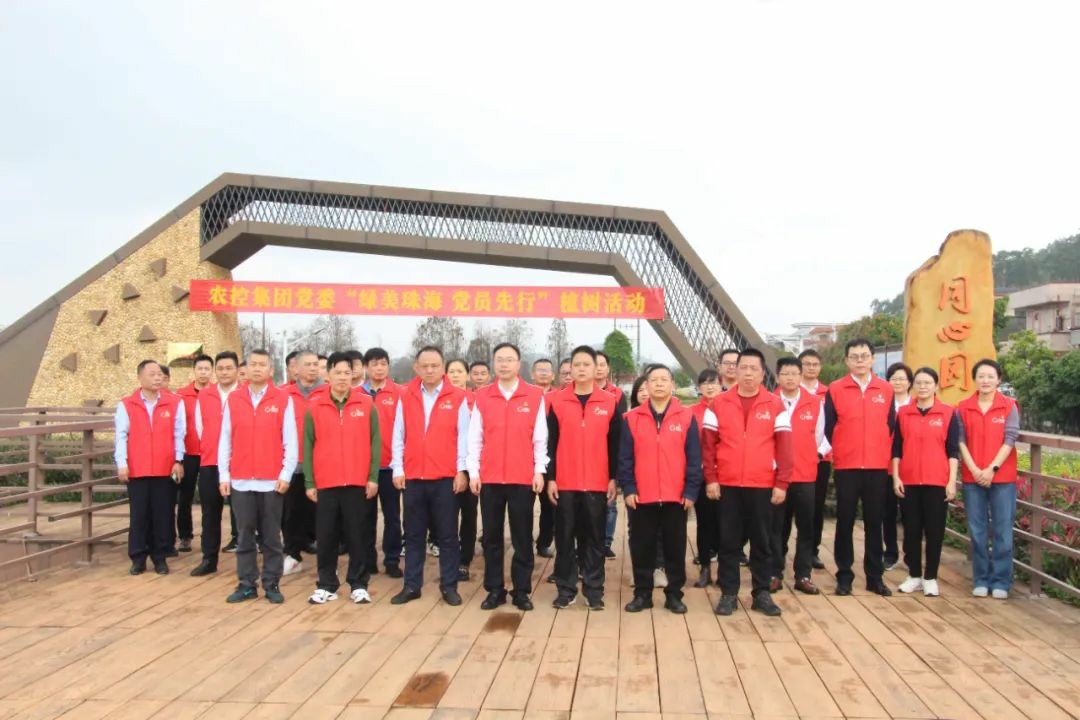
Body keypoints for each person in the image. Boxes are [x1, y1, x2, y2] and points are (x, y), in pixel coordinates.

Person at [702, 349, 792, 617]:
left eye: (754, 369)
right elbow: (708, 446)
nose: (748, 373)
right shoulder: (718, 404)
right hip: (728, 484)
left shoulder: (775, 405)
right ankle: (729, 593)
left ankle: (761, 593)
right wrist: (711, 479)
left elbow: (785, 448)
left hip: (762, 484)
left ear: (763, 374)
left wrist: (782, 483)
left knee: (762, 542)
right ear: (735, 371)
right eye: (744, 368)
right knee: (728, 542)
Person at [468, 343, 548, 611]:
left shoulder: (534, 395)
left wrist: (539, 470)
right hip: (490, 478)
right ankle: (495, 589)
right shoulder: (483, 396)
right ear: (494, 364)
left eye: (509, 359)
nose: (504, 364)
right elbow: (475, 438)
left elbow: (540, 438)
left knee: (522, 536)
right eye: (499, 359)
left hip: (522, 478)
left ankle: (521, 590)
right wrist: (474, 471)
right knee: (491, 537)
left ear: (519, 364)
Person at [390, 346, 470, 607]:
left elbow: (464, 438)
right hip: (414, 477)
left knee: (448, 536)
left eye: (435, 365)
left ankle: (449, 586)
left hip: (446, 477)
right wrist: (398, 468)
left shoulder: (457, 397)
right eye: (424, 366)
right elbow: (398, 434)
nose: (430, 370)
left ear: (443, 367)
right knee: (414, 535)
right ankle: (412, 586)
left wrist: (461, 471)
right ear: (416, 367)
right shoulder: (406, 395)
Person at [619, 364, 702, 614]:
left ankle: (674, 595)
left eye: (664, 379)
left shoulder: (686, 417)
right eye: (653, 380)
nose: (658, 383)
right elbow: (625, 459)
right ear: (646, 385)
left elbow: (694, 458)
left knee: (675, 548)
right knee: (641, 547)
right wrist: (629, 488)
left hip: (676, 497)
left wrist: (690, 491)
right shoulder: (631, 418)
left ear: (672, 385)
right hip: (641, 496)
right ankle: (642, 594)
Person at [218, 349, 298, 604]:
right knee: (244, 535)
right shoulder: (234, 399)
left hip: (271, 480)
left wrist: (285, 474)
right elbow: (225, 439)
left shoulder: (282, 399)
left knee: (271, 536)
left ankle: (272, 583)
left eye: (262, 365)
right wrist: (224, 475)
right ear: (246, 369)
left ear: (270, 370)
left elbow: (291, 441)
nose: (256, 368)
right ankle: (246, 584)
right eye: (252, 364)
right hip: (241, 479)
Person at [304, 352, 381, 605]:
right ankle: (326, 584)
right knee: (326, 536)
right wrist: (310, 481)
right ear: (328, 375)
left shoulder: (366, 404)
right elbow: (308, 445)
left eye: (347, 372)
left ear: (353, 374)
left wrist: (372, 477)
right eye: (337, 372)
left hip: (357, 483)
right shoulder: (315, 406)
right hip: (326, 483)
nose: (342, 377)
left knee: (357, 535)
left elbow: (375, 442)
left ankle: (358, 584)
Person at [547, 346, 620, 610]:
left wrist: (613, 478)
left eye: (586, 364)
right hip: (565, 482)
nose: (581, 369)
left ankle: (593, 589)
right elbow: (550, 443)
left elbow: (615, 444)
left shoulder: (609, 402)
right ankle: (566, 589)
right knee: (565, 538)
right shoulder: (557, 401)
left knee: (595, 539)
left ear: (596, 368)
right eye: (576, 364)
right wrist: (551, 478)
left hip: (597, 483)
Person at [824, 339, 895, 596]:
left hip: (877, 466)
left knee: (875, 522)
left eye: (864, 355)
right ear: (847, 360)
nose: (860, 360)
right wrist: (843, 450)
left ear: (873, 358)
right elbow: (828, 428)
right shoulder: (835, 389)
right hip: (847, 466)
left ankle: (875, 577)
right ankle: (844, 576)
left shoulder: (886, 389)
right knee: (844, 522)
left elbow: (890, 426)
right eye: (854, 356)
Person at [892, 367, 959, 597]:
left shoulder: (947, 413)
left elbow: (952, 450)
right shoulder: (904, 413)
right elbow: (897, 448)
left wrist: (951, 481)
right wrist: (896, 476)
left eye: (928, 382)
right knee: (911, 530)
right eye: (919, 382)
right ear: (913, 386)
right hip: (909, 480)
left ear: (936, 386)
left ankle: (930, 577)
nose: (923, 387)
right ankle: (914, 575)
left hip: (937, 481)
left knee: (934, 531)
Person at [115, 360, 185, 576]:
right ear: (140, 377)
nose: (157, 378)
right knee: (139, 515)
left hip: (165, 468)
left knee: (162, 514)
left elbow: (179, 433)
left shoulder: (174, 402)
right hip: (138, 468)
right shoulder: (127, 404)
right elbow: (121, 436)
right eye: (152, 374)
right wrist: (122, 463)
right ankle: (138, 557)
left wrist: (179, 460)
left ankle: (160, 557)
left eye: (159, 374)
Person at [957, 359, 1020, 599]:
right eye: (981, 376)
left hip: (1002, 477)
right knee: (977, 530)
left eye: (990, 376)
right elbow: (960, 440)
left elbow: (1010, 438)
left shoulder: (1009, 406)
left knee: (1003, 529)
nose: (985, 381)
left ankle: (1001, 580)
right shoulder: (963, 407)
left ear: (999, 380)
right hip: (973, 477)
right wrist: (974, 469)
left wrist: (992, 468)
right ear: (974, 379)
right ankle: (981, 579)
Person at [769, 357, 827, 595]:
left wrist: (812, 455)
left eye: (794, 373)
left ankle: (803, 575)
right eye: (785, 373)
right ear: (777, 377)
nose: (790, 378)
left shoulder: (815, 403)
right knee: (776, 527)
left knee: (806, 528)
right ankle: (774, 573)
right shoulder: (769, 402)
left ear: (801, 376)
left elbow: (820, 435)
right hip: (776, 477)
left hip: (805, 475)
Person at [190, 351, 240, 576]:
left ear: (237, 370)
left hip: (239, 463)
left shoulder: (245, 394)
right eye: (220, 368)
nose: (224, 372)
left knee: (243, 515)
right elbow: (200, 428)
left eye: (229, 368)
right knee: (210, 513)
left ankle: (246, 562)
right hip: (210, 462)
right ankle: (209, 559)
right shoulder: (205, 395)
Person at [362, 347, 404, 578]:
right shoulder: (356, 394)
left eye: (383, 364)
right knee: (365, 517)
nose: (379, 368)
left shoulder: (399, 393)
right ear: (366, 367)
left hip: (390, 466)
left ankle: (391, 559)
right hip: (364, 468)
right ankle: (368, 560)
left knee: (392, 516)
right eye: (374, 364)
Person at [283, 351, 323, 576]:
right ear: (295, 369)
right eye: (307, 364)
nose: (312, 368)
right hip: (293, 464)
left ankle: (326, 561)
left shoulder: (328, 392)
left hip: (321, 464)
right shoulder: (284, 394)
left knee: (322, 513)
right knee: (291, 513)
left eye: (315, 364)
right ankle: (292, 555)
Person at [174, 354, 213, 554]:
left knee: (209, 498)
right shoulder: (181, 395)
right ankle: (185, 536)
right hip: (188, 452)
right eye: (200, 369)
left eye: (207, 369)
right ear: (194, 371)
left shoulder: (216, 394)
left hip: (209, 453)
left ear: (211, 371)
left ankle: (209, 536)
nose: (203, 372)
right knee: (185, 496)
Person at [798, 349, 831, 570]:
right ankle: (779, 552)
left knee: (815, 507)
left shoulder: (829, 393)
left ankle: (812, 551)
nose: (811, 368)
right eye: (806, 364)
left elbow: (832, 426)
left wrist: (819, 451)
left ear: (820, 367)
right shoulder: (787, 391)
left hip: (821, 459)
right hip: (793, 460)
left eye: (815, 364)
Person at [446, 359, 478, 581]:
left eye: (459, 371)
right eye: (451, 371)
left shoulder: (477, 400)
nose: (455, 375)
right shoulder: (440, 399)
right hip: (446, 467)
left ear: (467, 375)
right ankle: (448, 558)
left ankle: (464, 560)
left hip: (471, 466)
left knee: (469, 514)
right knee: (447, 516)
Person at [690, 369, 723, 588]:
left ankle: (724, 569)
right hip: (703, 475)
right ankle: (705, 568)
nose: (710, 387)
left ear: (721, 385)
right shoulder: (691, 412)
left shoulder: (729, 408)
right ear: (699, 387)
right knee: (704, 523)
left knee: (726, 524)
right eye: (705, 383)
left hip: (727, 475)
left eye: (714, 383)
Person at [884, 362, 914, 569]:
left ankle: (910, 555)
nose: (898, 382)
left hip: (910, 467)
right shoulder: (883, 404)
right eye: (893, 378)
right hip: (885, 465)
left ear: (910, 382)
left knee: (910, 513)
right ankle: (890, 553)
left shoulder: (917, 405)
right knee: (887, 512)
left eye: (902, 378)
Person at [532, 358, 558, 559]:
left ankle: (544, 542)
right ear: (532, 374)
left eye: (546, 370)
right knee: (523, 505)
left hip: (552, 456)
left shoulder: (559, 398)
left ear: (553, 375)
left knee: (549, 505)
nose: (543, 373)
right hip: (528, 457)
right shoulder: (526, 395)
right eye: (539, 370)